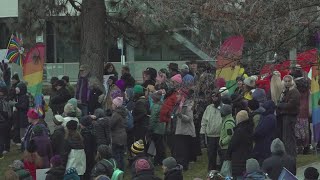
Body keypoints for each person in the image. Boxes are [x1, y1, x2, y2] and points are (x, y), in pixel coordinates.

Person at [277, 75, 300, 158]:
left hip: (290, 116)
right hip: (286, 115)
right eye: (285, 81)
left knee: (289, 137)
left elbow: (291, 105)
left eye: (288, 81)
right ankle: (289, 155)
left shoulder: (294, 91)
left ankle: (291, 155)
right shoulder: (286, 91)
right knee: (286, 137)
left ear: (292, 81)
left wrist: (279, 105)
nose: (287, 83)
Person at [172, 88, 195, 171]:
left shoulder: (188, 105)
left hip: (185, 131)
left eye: (178, 94)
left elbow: (189, 118)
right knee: (178, 150)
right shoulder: (178, 105)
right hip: (179, 130)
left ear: (183, 96)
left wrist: (181, 115)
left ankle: (184, 166)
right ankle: (179, 165)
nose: (176, 96)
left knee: (184, 150)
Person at [227, 110, 253, 178]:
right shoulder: (249, 128)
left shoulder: (239, 131)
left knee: (238, 176)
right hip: (247, 157)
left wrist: (227, 155)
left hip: (238, 160)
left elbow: (232, 145)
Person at [200, 91, 222, 171]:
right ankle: (211, 169)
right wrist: (202, 132)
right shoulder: (209, 108)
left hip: (220, 135)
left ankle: (220, 169)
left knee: (220, 154)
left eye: (216, 96)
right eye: (213, 97)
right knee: (211, 154)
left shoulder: (223, 107)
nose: (214, 98)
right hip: (210, 136)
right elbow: (204, 121)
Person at [110, 96, 127, 170]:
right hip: (123, 136)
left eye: (113, 104)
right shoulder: (123, 112)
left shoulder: (116, 114)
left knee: (116, 155)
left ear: (116, 105)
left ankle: (118, 171)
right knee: (121, 155)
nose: (111, 105)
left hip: (117, 137)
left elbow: (111, 125)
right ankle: (122, 170)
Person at [149, 91, 166, 165]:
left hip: (156, 128)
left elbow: (153, 119)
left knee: (156, 145)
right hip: (162, 127)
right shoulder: (162, 105)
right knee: (160, 145)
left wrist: (150, 128)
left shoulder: (155, 106)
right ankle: (161, 159)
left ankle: (157, 161)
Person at [0, 86, 10, 158]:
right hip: (5, 120)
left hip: (3, 121)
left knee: (3, 136)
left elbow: (7, 113)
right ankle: (5, 148)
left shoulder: (4, 101)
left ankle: (3, 150)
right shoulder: (4, 100)